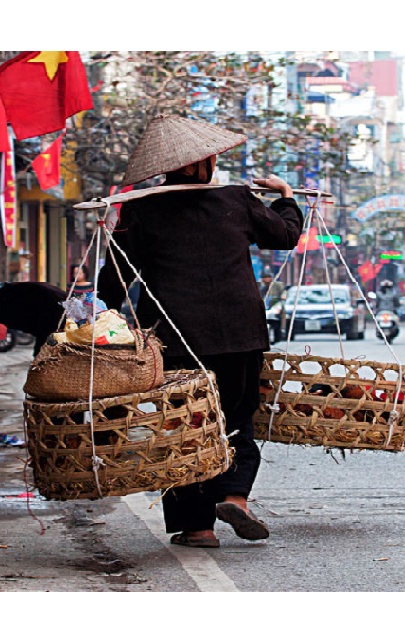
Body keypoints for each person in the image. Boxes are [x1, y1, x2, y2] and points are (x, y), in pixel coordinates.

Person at [97, 114, 303, 548]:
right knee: (236, 419)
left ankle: (198, 527)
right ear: (205, 161)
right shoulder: (236, 199)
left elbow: (114, 277)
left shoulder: (141, 206)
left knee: (182, 426)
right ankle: (235, 496)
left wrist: (105, 321)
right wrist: (285, 195)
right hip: (240, 333)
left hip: (174, 339)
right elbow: (284, 235)